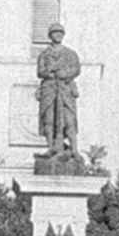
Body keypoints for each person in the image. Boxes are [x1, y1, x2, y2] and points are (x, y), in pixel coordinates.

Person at [37, 23, 80, 156]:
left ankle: (74, 150)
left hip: (65, 88)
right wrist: (50, 73)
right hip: (49, 88)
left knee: (69, 119)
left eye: (60, 33)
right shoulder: (44, 54)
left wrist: (65, 74)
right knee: (48, 119)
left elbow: (76, 69)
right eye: (55, 33)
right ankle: (51, 147)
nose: (58, 35)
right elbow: (40, 71)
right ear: (50, 35)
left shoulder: (70, 53)